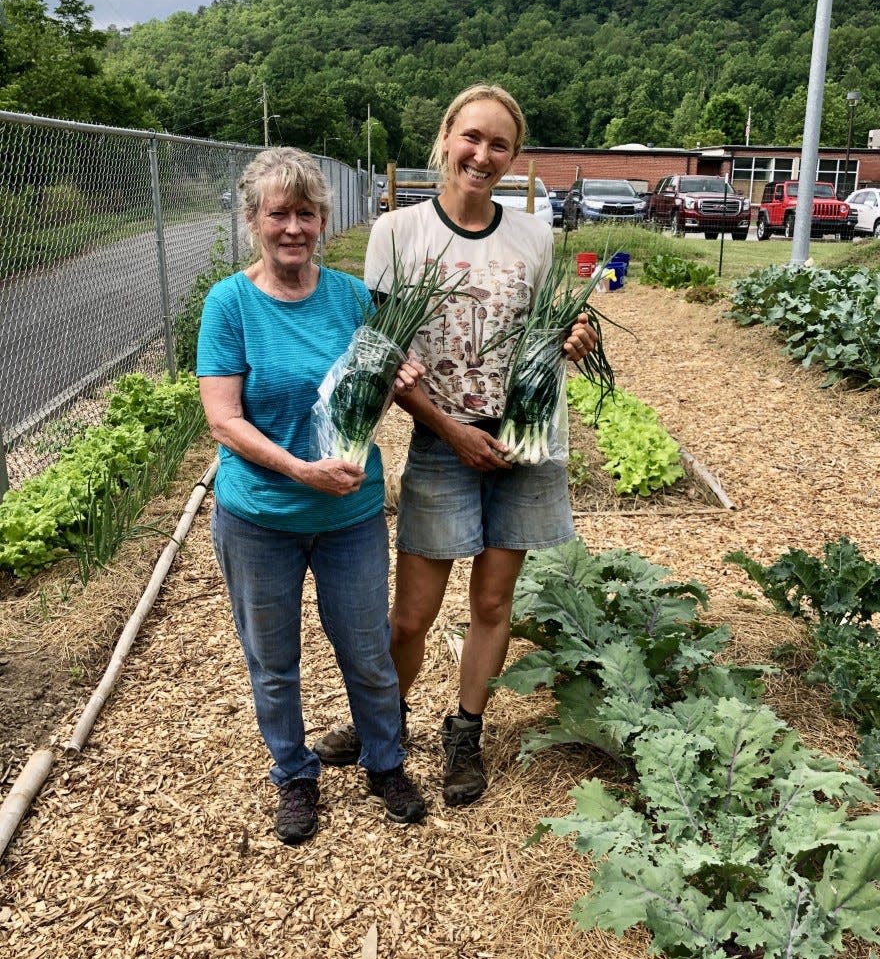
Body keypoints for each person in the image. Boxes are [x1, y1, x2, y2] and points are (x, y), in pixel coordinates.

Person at [315, 84, 596, 806]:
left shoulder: (534, 236)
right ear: (445, 138)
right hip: (444, 442)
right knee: (412, 614)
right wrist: (451, 430)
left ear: (513, 156)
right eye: (471, 137)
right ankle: (383, 722)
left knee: (494, 604)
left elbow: (541, 338)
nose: (483, 154)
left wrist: (570, 339)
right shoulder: (399, 233)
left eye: (499, 144)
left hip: (525, 447)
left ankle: (464, 732)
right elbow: (382, 355)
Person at [197, 146, 426, 845]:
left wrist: (395, 377)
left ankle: (385, 761)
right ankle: (294, 776)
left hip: (350, 514)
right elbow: (223, 418)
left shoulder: (354, 298)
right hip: (260, 516)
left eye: (305, 213)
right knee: (273, 660)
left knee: (366, 649)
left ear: (323, 220)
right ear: (252, 221)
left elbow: (360, 403)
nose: (292, 227)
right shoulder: (230, 302)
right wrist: (299, 471)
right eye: (278, 214)